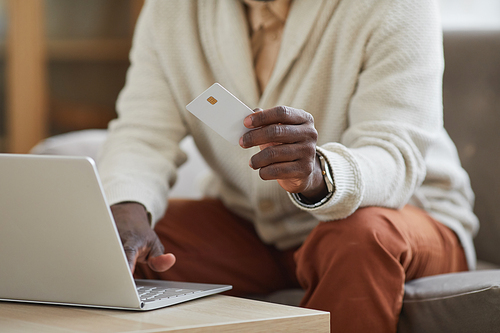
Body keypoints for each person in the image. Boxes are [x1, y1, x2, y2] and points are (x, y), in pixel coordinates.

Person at [97, 0, 479, 332]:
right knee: (117, 250)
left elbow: (394, 152)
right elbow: (143, 129)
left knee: (359, 239)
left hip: (407, 215)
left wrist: (320, 175)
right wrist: (126, 205)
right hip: (251, 226)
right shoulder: (172, 10)